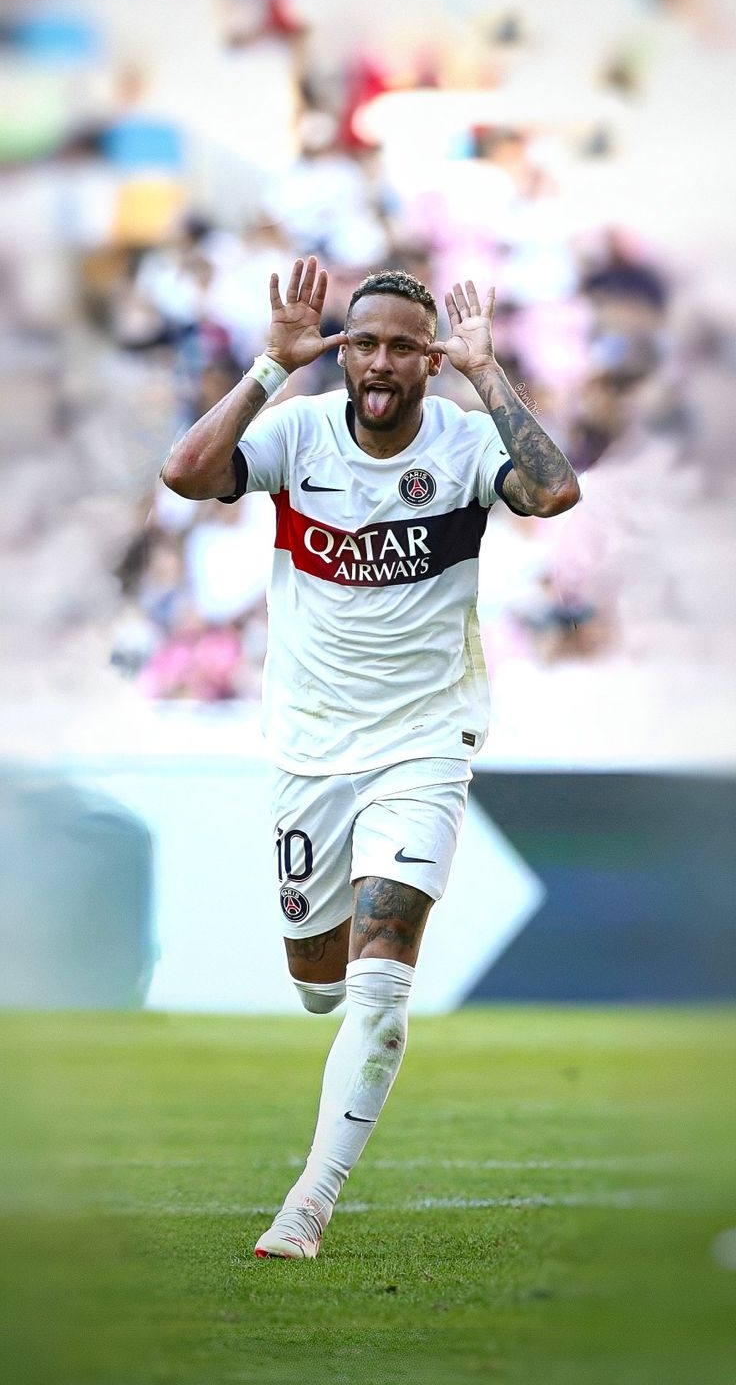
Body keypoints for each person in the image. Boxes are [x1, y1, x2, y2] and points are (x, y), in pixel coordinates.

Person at [161, 256, 580, 1259]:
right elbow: (183, 473)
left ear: (428, 358)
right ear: (344, 351)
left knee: (382, 986)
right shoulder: (299, 431)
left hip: (424, 742)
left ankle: (308, 1201)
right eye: (365, 341)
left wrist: (489, 375)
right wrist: (267, 365)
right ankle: (325, 994)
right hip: (310, 745)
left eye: (403, 343)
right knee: (318, 980)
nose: (382, 360)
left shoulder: (466, 440)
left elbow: (556, 490)